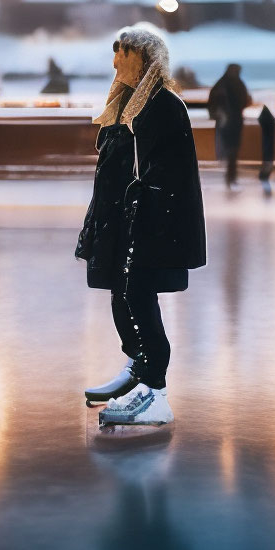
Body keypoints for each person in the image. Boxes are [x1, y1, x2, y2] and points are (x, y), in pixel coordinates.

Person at [76, 27, 206, 425]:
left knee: (136, 295)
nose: (115, 61)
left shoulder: (164, 106)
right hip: (125, 221)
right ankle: (138, 368)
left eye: (124, 53)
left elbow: (168, 176)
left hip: (151, 224)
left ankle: (155, 388)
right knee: (123, 293)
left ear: (145, 59)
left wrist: (144, 215)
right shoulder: (127, 105)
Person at [207, 63, 251, 188]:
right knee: (232, 149)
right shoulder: (238, 84)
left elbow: (212, 103)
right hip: (233, 121)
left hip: (226, 121)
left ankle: (231, 175)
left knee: (230, 149)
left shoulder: (220, 84)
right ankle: (231, 175)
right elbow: (245, 100)